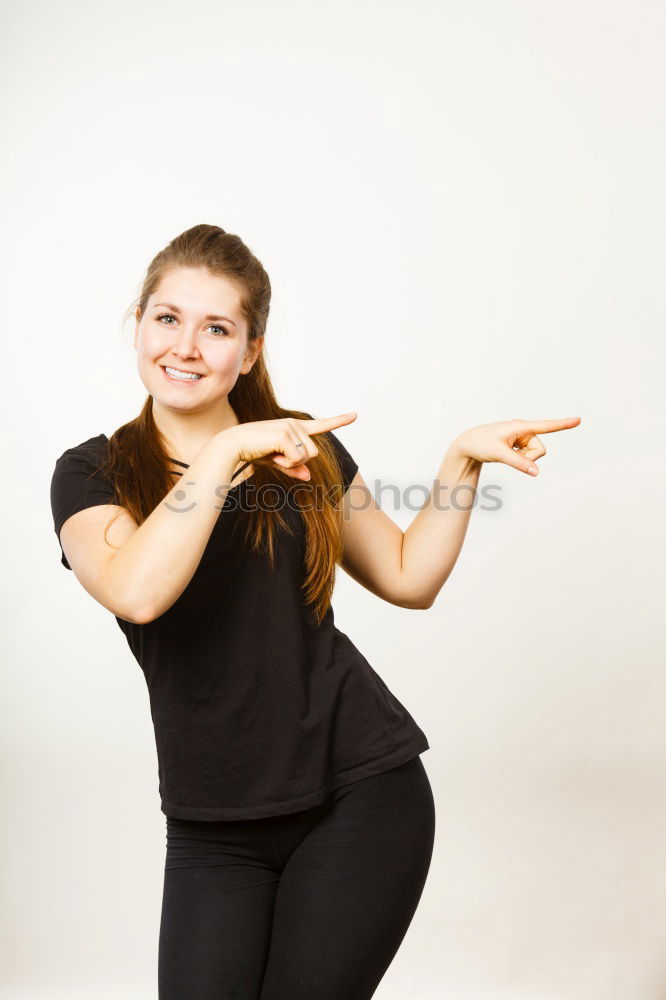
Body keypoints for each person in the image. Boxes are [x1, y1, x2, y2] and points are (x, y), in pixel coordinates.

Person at [50, 223, 581, 999]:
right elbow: (138, 589)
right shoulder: (92, 471)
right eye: (167, 318)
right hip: (211, 821)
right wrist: (227, 455)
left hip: (361, 792)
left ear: (251, 351)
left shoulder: (304, 450)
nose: (186, 346)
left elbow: (408, 576)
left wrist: (459, 461)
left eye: (217, 328)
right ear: (138, 324)